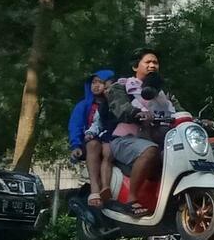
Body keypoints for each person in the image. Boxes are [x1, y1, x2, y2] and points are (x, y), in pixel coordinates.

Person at [102, 48, 179, 217]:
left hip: (159, 139)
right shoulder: (120, 87)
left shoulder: (164, 94)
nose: (152, 65)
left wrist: (196, 120)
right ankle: (131, 200)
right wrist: (136, 114)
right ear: (136, 67)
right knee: (150, 150)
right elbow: (120, 108)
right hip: (125, 139)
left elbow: (179, 112)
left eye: (155, 63)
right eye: (148, 62)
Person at [69, 69, 117, 208]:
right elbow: (75, 126)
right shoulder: (83, 106)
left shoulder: (117, 103)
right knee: (93, 144)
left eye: (100, 82)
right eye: (93, 82)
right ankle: (95, 190)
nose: (96, 85)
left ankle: (108, 189)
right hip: (90, 142)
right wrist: (76, 145)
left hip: (112, 140)